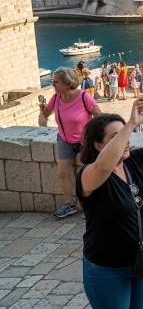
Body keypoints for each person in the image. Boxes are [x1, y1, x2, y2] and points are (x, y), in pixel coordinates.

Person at [77, 98, 143, 309]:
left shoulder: (133, 161)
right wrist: (131, 124)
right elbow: (103, 166)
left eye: (126, 135)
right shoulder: (90, 175)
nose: (126, 141)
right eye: (116, 137)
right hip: (107, 268)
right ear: (98, 146)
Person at [39, 68, 103, 218]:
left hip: (85, 141)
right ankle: (70, 205)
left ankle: (94, 206)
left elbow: (100, 116)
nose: (53, 84)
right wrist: (42, 123)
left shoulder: (84, 97)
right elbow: (45, 114)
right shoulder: (56, 98)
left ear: (67, 83)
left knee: (92, 173)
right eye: (52, 81)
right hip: (64, 140)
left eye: (56, 81)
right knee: (62, 173)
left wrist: (93, 136)